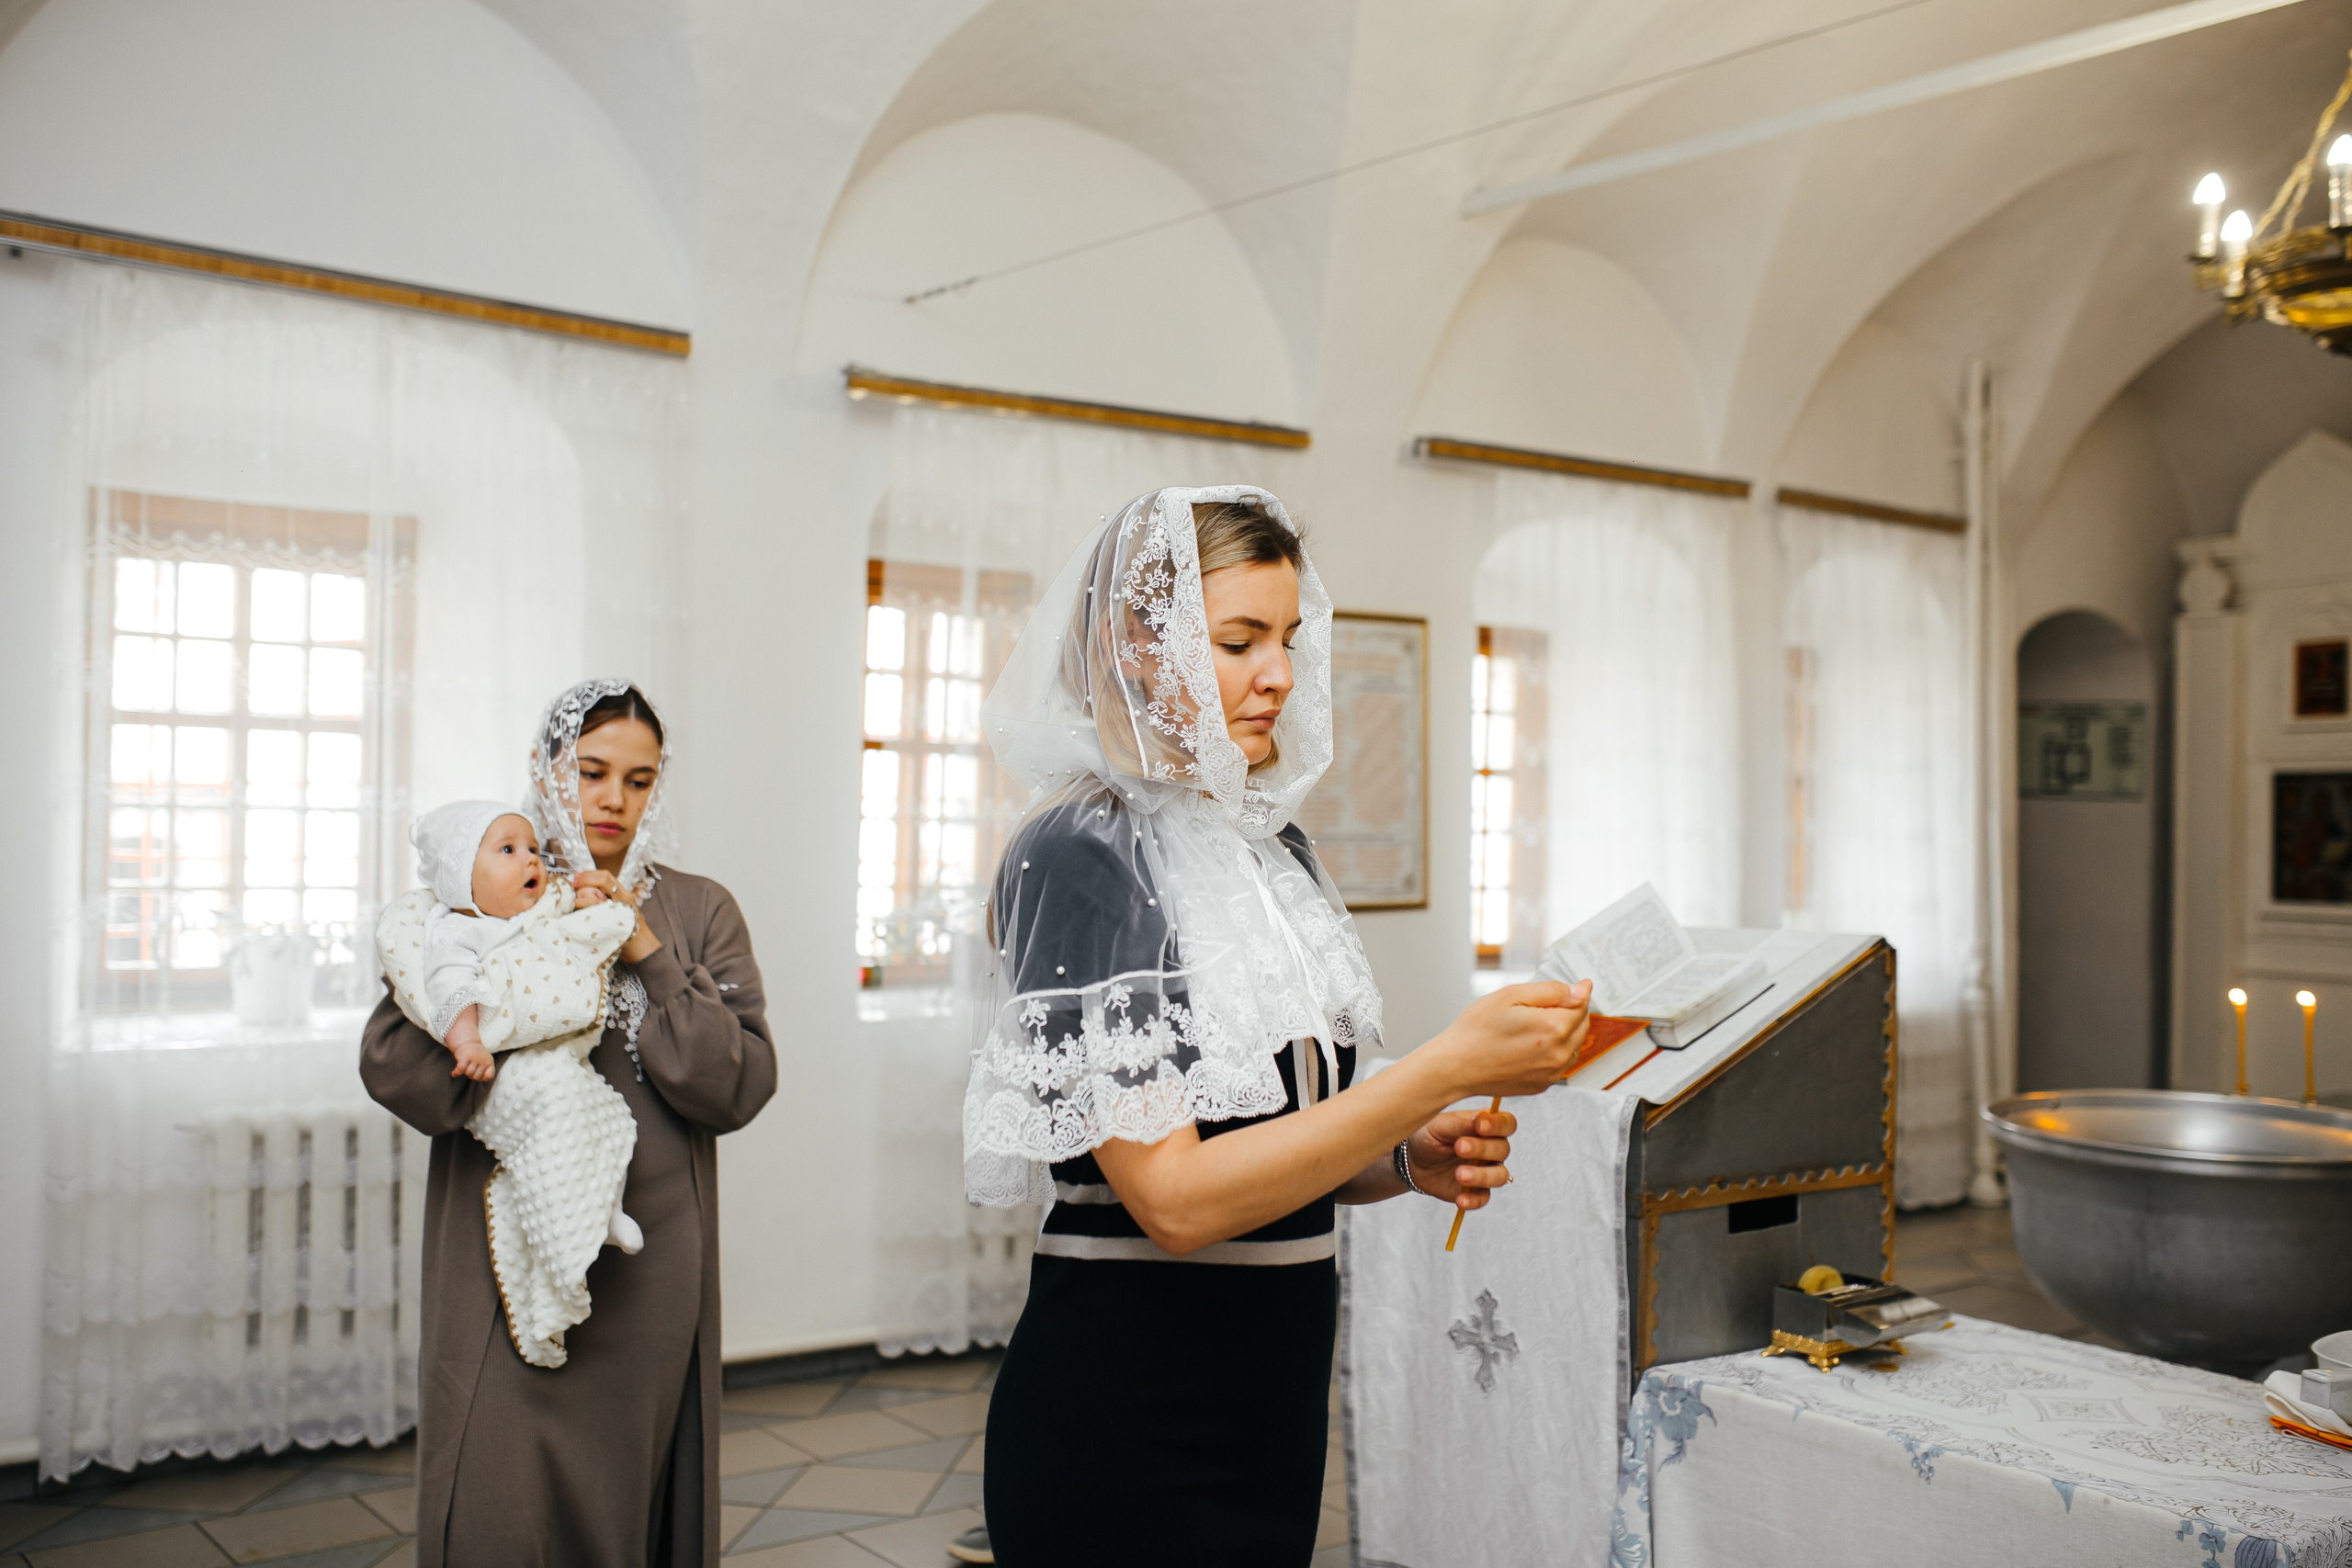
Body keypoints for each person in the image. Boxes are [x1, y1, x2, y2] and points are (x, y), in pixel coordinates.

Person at [965, 489, 1592, 1567]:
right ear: (1133, 647)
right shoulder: (1082, 854)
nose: (1281, 676)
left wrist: (1401, 1155)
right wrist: (1445, 1067)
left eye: (1288, 639)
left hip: (1268, 1405)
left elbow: (1273, 1143)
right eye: (1238, 641)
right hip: (1128, 1413)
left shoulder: (1269, 850)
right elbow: (1173, 1200)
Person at [361, 681, 777, 1567]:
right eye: (590, 771)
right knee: (498, 1508)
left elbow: (738, 1085)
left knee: (626, 1509)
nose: (613, 798)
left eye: (639, 779)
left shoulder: (699, 909)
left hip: (649, 1268)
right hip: (500, 1267)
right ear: (545, 769)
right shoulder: (485, 885)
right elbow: (395, 1067)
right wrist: (498, 1013)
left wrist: (645, 950)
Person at [375, 799, 644, 1370]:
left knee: (598, 1109)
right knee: (556, 1105)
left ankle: (607, 1204)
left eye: (533, 850)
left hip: (558, 1051)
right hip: (508, 1065)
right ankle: (571, 1228)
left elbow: (564, 920)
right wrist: (468, 1043)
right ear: (462, 878)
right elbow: (451, 988)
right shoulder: (457, 931)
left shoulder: (534, 906)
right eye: (508, 850)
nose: (531, 861)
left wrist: (585, 903)